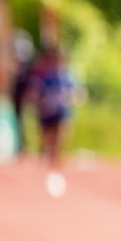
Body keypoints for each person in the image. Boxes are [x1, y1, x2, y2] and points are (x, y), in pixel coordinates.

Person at [31, 46, 75, 196]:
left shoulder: (67, 76)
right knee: (46, 141)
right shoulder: (45, 76)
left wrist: (71, 97)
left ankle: (58, 169)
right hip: (46, 113)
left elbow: (76, 92)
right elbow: (36, 93)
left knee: (60, 139)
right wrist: (40, 101)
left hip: (62, 113)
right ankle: (48, 166)